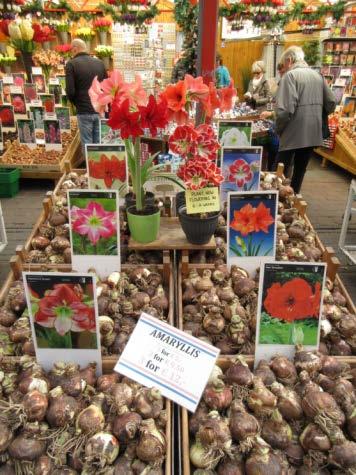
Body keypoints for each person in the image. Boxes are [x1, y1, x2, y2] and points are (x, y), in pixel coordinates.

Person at [274, 46, 336, 193]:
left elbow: (284, 111)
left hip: (292, 133)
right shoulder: (318, 76)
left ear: (289, 60)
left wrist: (278, 129)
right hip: (312, 132)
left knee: (278, 171)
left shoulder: (290, 76)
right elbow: (331, 103)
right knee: (300, 171)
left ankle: (276, 203)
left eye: (283, 65)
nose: (284, 68)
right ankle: (293, 202)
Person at [65, 38, 107, 149]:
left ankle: (89, 166)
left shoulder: (71, 64)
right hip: (99, 109)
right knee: (99, 143)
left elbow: (70, 91)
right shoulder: (100, 63)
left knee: (88, 144)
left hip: (83, 110)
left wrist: (77, 104)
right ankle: (99, 166)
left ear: (75, 49)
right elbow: (106, 86)